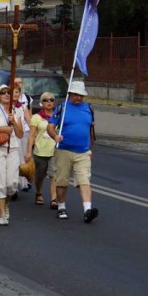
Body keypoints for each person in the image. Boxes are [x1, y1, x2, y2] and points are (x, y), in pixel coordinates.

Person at [47, 81, 99, 223]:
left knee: (84, 180)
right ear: (70, 94)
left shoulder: (88, 108)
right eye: (76, 95)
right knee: (62, 181)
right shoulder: (62, 108)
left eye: (81, 95)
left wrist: (91, 149)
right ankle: (61, 207)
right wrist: (55, 136)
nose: (79, 98)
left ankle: (87, 210)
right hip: (63, 150)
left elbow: (91, 131)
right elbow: (50, 126)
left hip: (83, 151)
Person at [0, 84, 24, 226]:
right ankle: (2, 214)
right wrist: (0, 129)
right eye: (3, 93)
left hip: (13, 148)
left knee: (12, 184)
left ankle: (6, 204)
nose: (7, 95)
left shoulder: (17, 111)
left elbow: (20, 134)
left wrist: (14, 123)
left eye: (9, 93)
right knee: (0, 183)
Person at [25, 92, 58, 208]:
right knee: (39, 176)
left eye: (51, 100)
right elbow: (32, 136)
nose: (49, 102)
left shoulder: (58, 116)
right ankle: (38, 192)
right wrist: (29, 152)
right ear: (42, 103)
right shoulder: (36, 117)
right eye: (46, 100)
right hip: (40, 151)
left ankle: (54, 199)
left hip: (55, 150)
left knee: (54, 175)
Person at [14, 86, 33, 192]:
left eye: (17, 92)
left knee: (20, 159)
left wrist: (32, 135)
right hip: (8, 136)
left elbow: (29, 120)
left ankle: (20, 183)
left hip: (20, 136)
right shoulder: (4, 107)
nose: (16, 94)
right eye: (13, 92)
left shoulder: (22, 107)